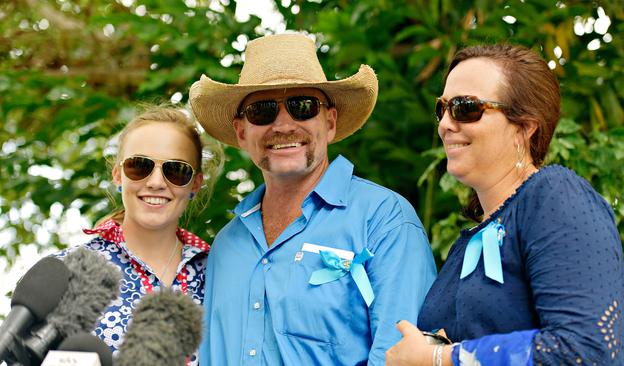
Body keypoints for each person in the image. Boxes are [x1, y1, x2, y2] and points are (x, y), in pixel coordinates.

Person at [189, 33, 437, 365]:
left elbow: (403, 358)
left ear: (330, 122)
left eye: (302, 107)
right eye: (262, 111)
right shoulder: (226, 245)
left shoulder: (384, 219)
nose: (284, 124)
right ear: (241, 131)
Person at [385, 44, 624, 365]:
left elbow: (585, 351)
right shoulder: (469, 244)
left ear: (525, 128)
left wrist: (439, 356)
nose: (445, 124)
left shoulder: (555, 195)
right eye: (441, 109)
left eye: (465, 108)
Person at [55, 106, 218, 365]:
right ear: (118, 175)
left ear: (195, 183)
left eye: (176, 170)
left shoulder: (221, 275)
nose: (155, 182)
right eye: (139, 166)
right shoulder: (64, 274)